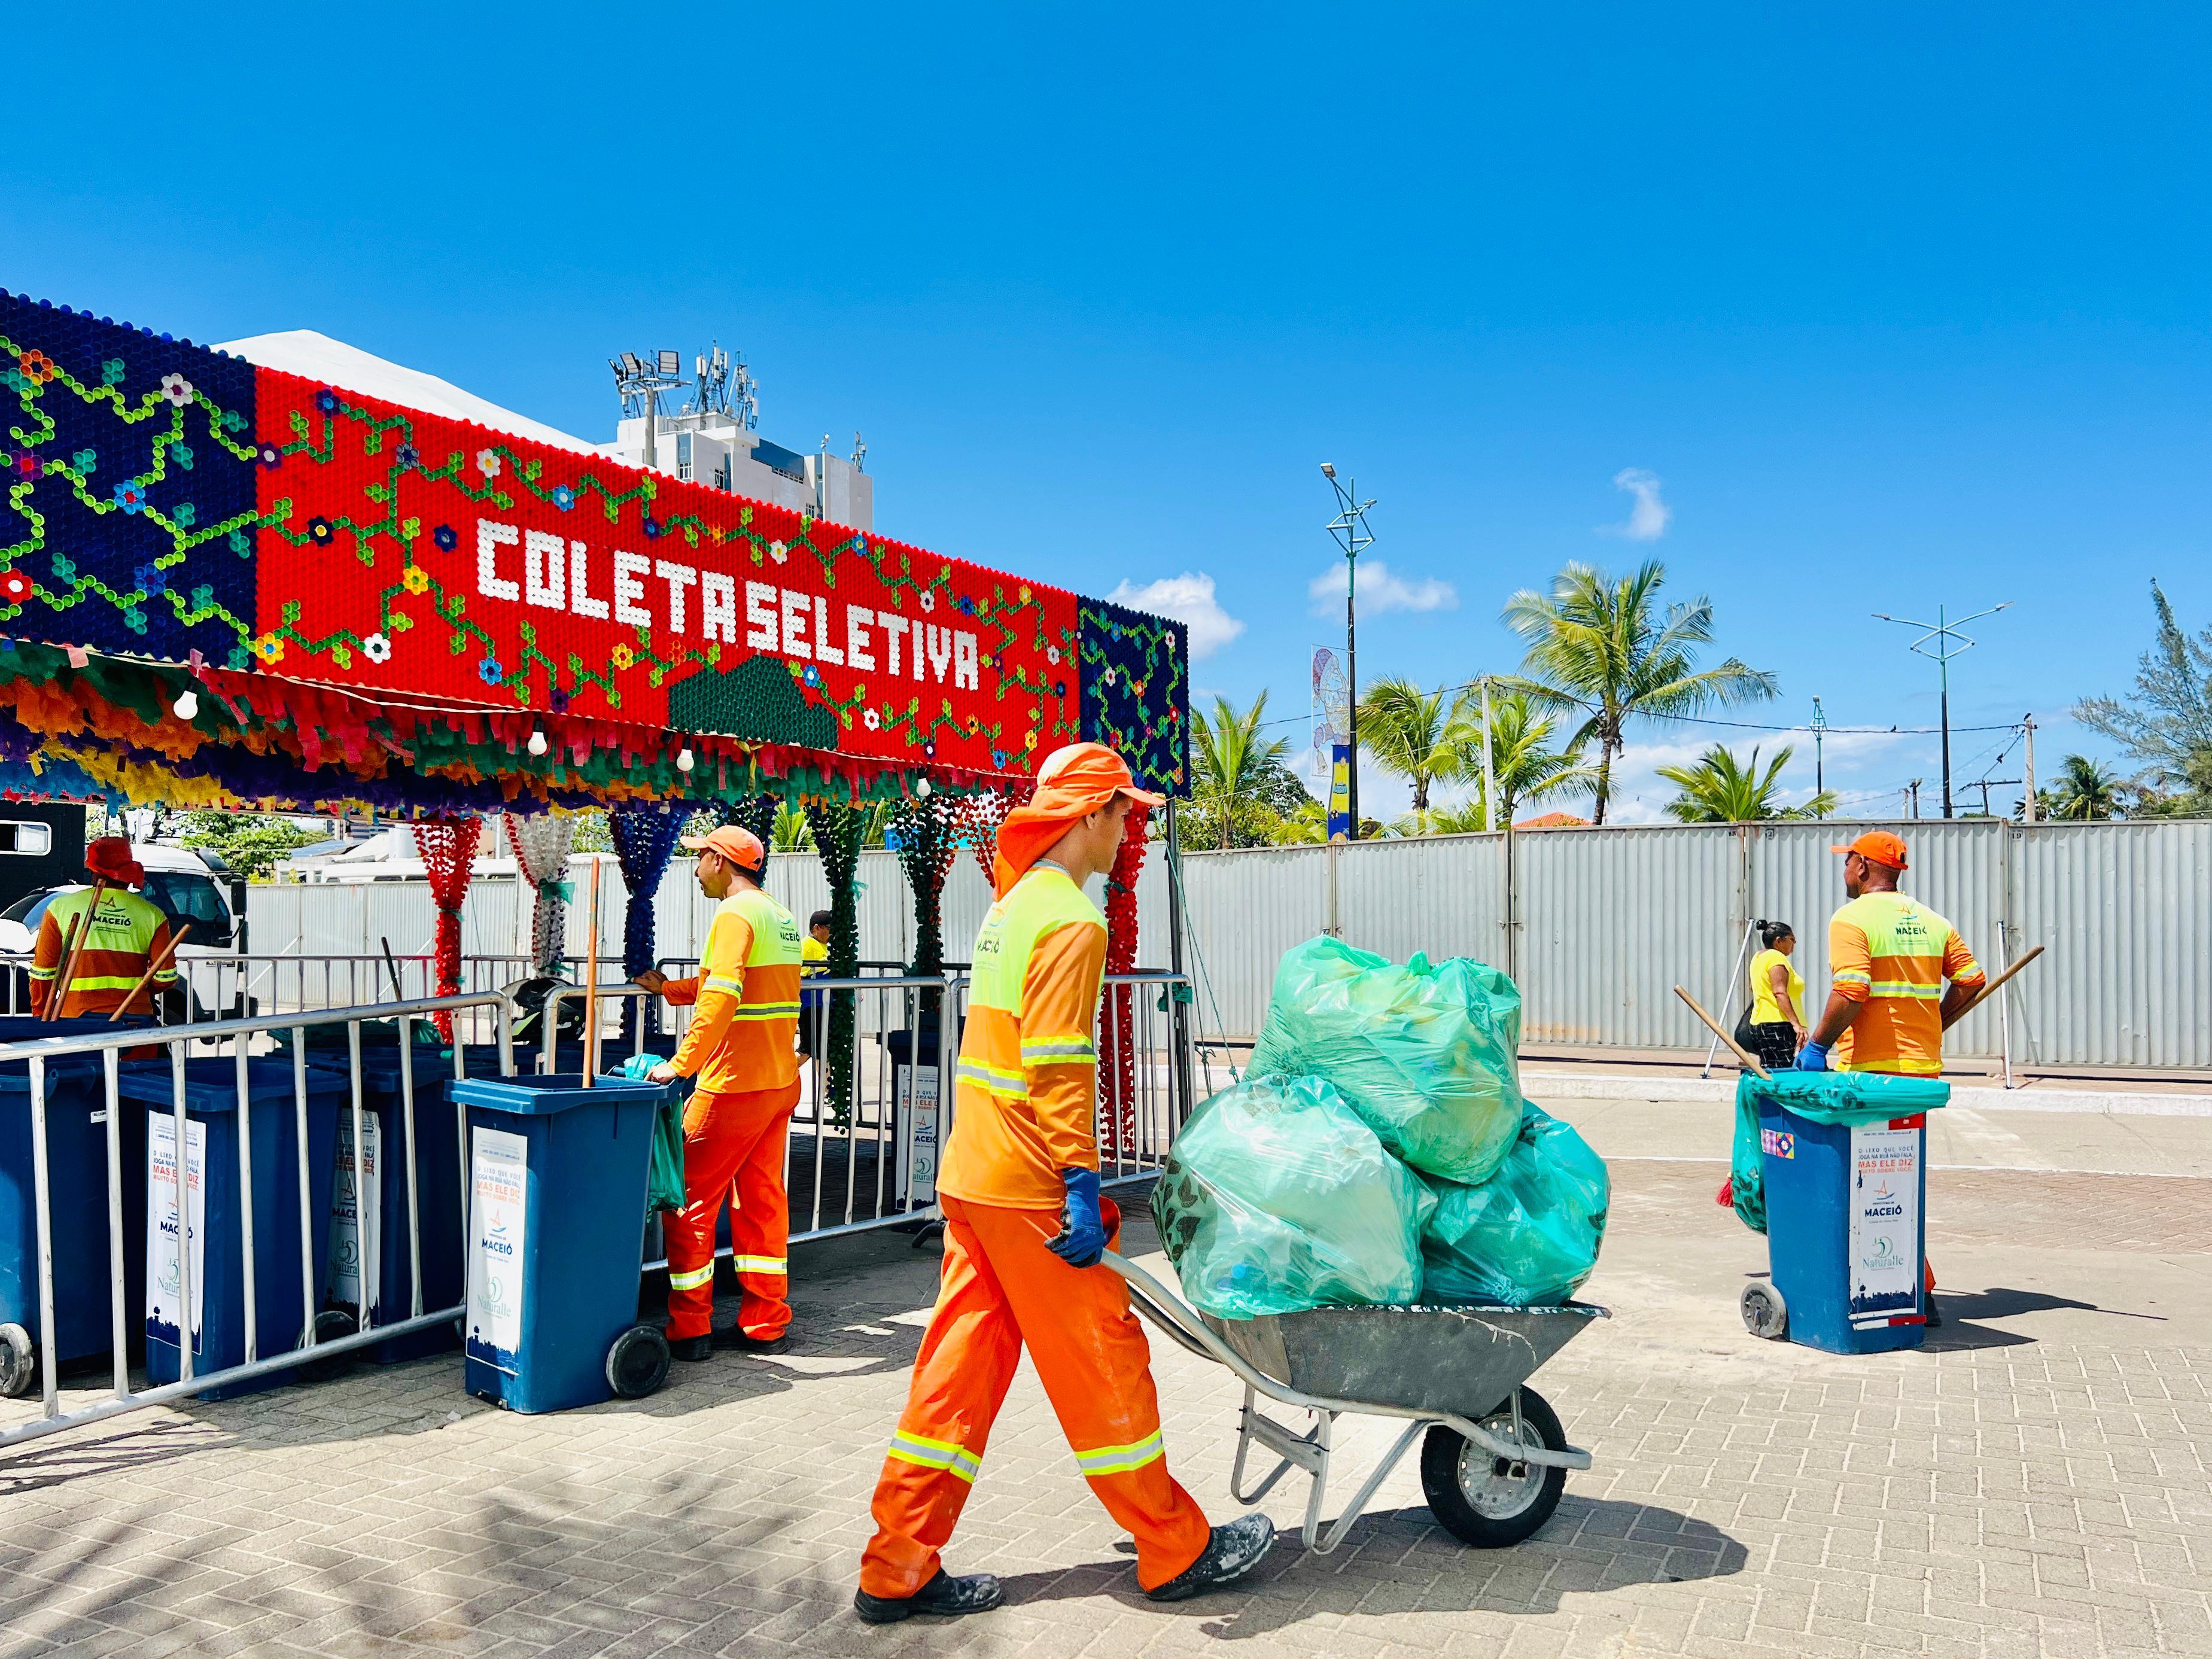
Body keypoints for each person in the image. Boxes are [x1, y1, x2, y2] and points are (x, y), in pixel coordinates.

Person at [854, 743, 1274, 1625]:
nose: (1131, 832)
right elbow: (1056, 1066)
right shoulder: (1074, 922)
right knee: (1104, 1363)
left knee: (955, 1374)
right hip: (1032, 1186)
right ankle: (1174, 1548)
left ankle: (895, 1564)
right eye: (1125, 814)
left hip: (974, 1175)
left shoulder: (1011, 909)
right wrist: (1080, 1180)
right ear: (1089, 815)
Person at [1797, 830, 1987, 1326]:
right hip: (1919, 1073)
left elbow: (1851, 989)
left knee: (1863, 1184)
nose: (1844, 872)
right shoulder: (1932, 920)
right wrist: (1936, 1022)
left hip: (1869, 1077)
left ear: (1862, 867)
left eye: (1847, 863)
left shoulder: (1851, 918)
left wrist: (1817, 1044)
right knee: (1898, 1181)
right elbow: (1971, 979)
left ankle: (1886, 1290)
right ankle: (1916, 1291)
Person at [634, 825, 806, 1360]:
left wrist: (680, 1065)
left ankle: (690, 1328)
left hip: (733, 1083)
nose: (695, 868)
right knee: (761, 1202)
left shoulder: (733, 915)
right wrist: (666, 988)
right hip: (778, 1081)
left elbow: (724, 996)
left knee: (687, 1202)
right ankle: (766, 1320)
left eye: (700, 857)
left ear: (721, 860)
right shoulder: (778, 914)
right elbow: (723, 983)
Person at [29, 837, 179, 1019]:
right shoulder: (153, 914)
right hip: (134, 1019)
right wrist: (143, 989)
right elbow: (166, 977)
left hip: (77, 1018)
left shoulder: (60, 907)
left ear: (93, 870)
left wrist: (40, 1014)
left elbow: (44, 972)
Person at [1744, 921, 1806, 1072]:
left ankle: (1765, 1097)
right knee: (1786, 1073)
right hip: (1779, 1025)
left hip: (1761, 1026)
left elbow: (1753, 987)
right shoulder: (1776, 957)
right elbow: (1779, 992)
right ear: (1779, 941)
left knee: (1770, 1072)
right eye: (1792, 939)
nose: (1795, 943)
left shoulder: (1758, 957)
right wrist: (1796, 1024)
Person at [797, 908, 832, 1058]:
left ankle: (825, 1082)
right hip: (811, 1008)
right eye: (830, 929)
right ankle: (781, 1078)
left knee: (821, 1052)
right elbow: (797, 976)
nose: (832, 934)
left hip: (825, 1006)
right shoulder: (807, 945)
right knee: (809, 1051)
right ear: (817, 928)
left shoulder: (825, 946)